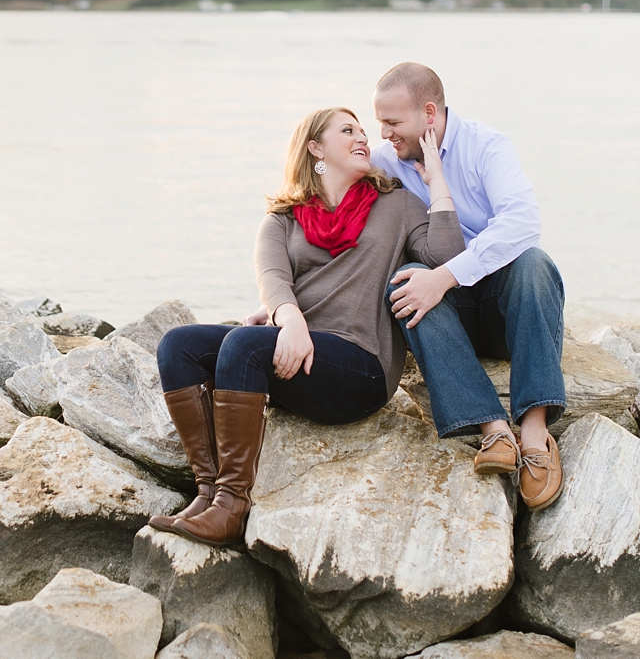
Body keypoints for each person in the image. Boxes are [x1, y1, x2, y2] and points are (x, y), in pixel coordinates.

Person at [151, 106, 465, 547]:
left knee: (243, 346)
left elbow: (447, 256)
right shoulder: (283, 219)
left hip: (361, 365)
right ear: (315, 148)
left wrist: (438, 184)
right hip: (297, 349)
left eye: (362, 131)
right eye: (347, 130)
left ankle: (233, 507)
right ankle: (207, 493)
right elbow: (273, 282)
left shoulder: (396, 204)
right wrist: (290, 321)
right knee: (177, 345)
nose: (363, 138)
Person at [372, 61, 566, 511]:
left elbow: (522, 222)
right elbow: (326, 201)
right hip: (449, 321)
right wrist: (283, 303)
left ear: (429, 113)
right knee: (401, 286)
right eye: (380, 121)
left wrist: (444, 277)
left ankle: (535, 431)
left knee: (534, 262)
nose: (383, 133)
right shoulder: (387, 161)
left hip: (504, 311)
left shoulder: (486, 147)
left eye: (392, 122)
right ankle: (493, 430)